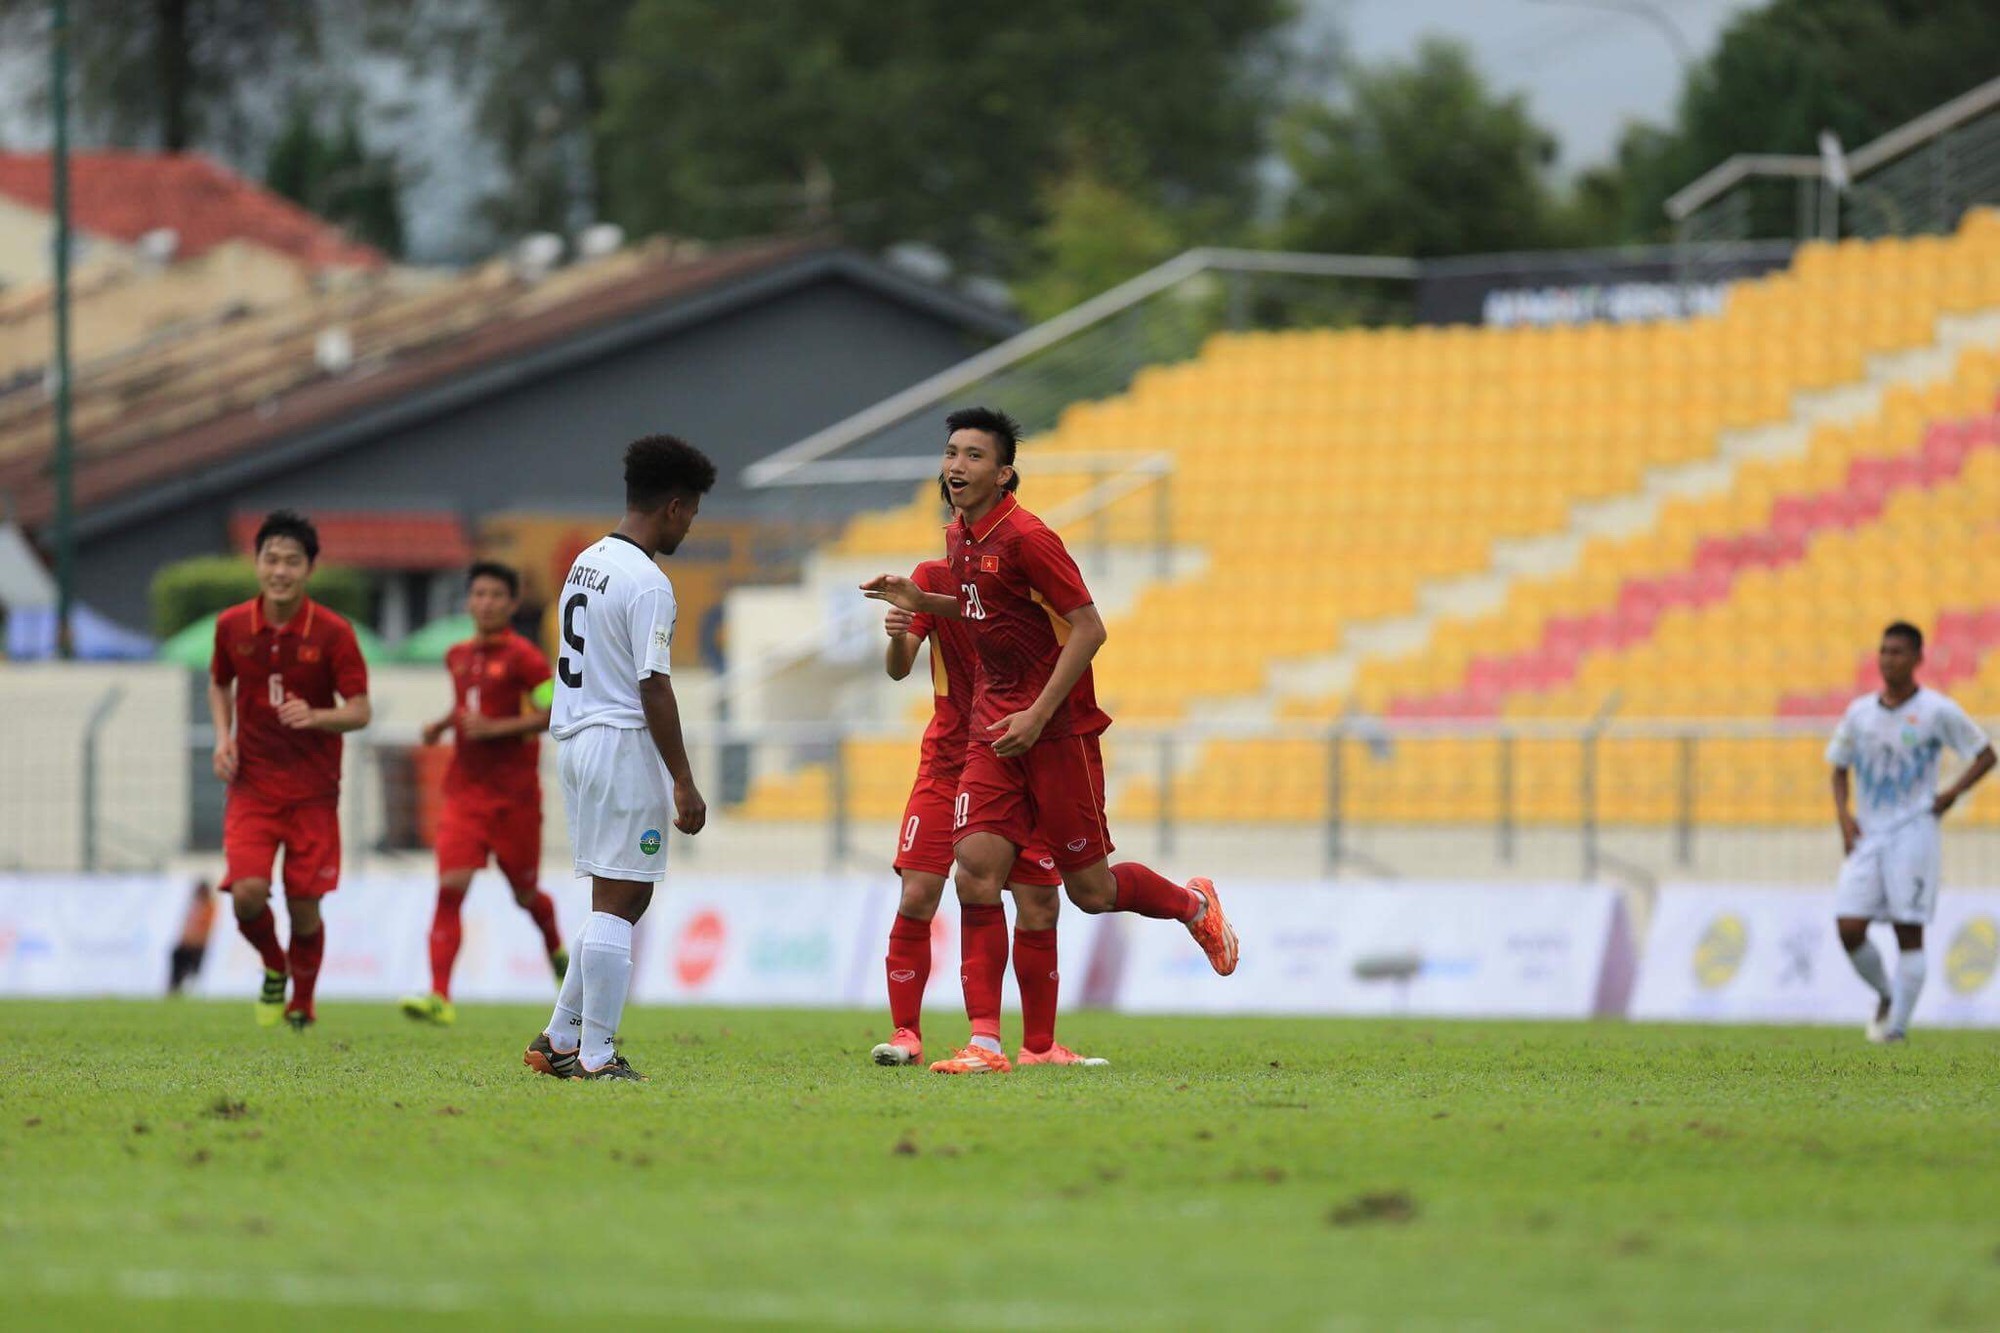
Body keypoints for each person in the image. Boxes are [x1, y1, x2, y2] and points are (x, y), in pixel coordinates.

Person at [863, 407, 1237, 1076]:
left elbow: (1089, 627)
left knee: (1088, 890)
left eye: (974, 455)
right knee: (975, 872)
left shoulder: (1031, 537)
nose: (957, 465)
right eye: (952, 452)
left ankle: (1193, 904)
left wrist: (1037, 713)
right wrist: (922, 602)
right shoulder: (959, 540)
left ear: (1003, 472)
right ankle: (984, 1041)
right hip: (991, 729)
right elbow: (981, 608)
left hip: (1056, 731)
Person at [522, 435, 714, 1081]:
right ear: (676, 507)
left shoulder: (587, 560)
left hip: (578, 738)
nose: (690, 525)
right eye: (692, 513)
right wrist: (683, 780)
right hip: (617, 741)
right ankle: (596, 1057)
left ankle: (557, 1036)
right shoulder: (649, 582)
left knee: (626, 899)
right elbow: (652, 682)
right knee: (618, 897)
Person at [873, 552, 1106, 1069]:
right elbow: (898, 668)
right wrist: (895, 633)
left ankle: (1040, 1047)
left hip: (1014, 758)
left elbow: (1076, 631)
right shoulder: (932, 579)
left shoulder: (1016, 575)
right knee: (918, 892)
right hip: (949, 760)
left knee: (1040, 902)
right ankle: (907, 1033)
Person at [208, 509, 372, 1030]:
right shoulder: (232, 625)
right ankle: (274, 967)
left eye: (292, 562)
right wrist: (223, 736)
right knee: (247, 895)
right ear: (256, 563)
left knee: (305, 910)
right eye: (271, 559)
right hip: (252, 786)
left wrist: (318, 716)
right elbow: (219, 682)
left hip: (313, 793)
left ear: (309, 569)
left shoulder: (333, 633)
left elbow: (361, 710)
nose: (280, 571)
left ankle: (303, 1002)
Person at [401, 561, 564, 1025]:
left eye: (496, 595)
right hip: (464, 795)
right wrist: (443, 722)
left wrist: (498, 728)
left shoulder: (526, 659)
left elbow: (553, 712)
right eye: (479, 594)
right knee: (450, 889)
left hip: (514, 799)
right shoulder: (457, 655)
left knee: (526, 893)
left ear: (512, 603)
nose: (486, 602)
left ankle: (555, 949)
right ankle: (439, 995)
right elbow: (468, 706)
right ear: (469, 601)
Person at [1829, 621, 1995, 1044]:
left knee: (1908, 933)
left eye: (1898, 652)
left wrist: (1951, 793)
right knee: (1849, 928)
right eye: (1884, 651)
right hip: (1868, 833)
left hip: (1913, 832)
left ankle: (1896, 1029)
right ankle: (1886, 995)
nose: (1888, 659)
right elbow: (1838, 765)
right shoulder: (1859, 713)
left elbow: (1985, 754)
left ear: (1919, 659)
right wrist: (1844, 818)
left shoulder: (1937, 710)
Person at [167, 880, 216, 996]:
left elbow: (205, 929)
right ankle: (174, 987)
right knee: (177, 956)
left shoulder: (209, 907)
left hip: (198, 946)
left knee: (189, 963)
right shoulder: (195, 906)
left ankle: (183, 987)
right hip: (187, 944)